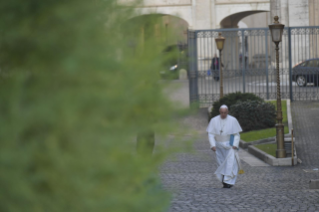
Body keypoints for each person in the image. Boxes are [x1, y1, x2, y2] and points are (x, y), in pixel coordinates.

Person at [206, 105, 243, 188]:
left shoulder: (233, 120)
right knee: (221, 164)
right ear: (219, 112)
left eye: (225, 113)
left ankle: (228, 182)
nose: (223, 114)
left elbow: (236, 135)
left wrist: (235, 144)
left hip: (230, 146)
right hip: (219, 147)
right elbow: (211, 134)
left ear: (228, 112)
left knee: (230, 163)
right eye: (222, 113)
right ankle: (224, 180)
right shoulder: (214, 120)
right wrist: (213, 145)